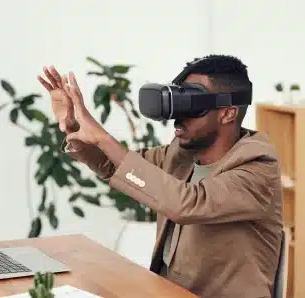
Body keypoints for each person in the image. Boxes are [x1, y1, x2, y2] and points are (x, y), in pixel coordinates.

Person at [37, 55, 283, 298]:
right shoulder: (181, 155)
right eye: (179, 101)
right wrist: (75, 128)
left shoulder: (258, 167)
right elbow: (118, 167)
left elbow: (188, 203)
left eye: (193, 104)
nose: (179, 116)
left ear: (228, 114)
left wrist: (101, 136)